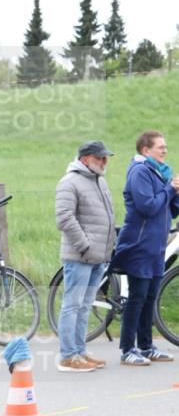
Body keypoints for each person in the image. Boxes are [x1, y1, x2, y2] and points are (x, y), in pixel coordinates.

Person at [112, 130, 179, 365]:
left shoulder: (160, 172)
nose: (165, 150)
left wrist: (176, 194)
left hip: (156, 246)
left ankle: (147, 346)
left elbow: (168, 210)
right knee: (137, 297)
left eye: (165, 146)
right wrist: (170, 189)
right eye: (160, 147)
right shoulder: (140, 171)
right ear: (146, 150)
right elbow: (148, 207)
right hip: (139, 245)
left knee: (150, 296)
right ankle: (127, 349)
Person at [55, 140, 117, 371]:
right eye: (99, 157)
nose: (104, 161)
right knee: (72, 305)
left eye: (105, 157)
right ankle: (67, 356)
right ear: (85, 159)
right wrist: (85, 245)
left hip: (98, 257)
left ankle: (79, 351)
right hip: (80, 256)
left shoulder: (99, 181)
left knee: (84, 306)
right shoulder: (69, 182)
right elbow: (64, 218)